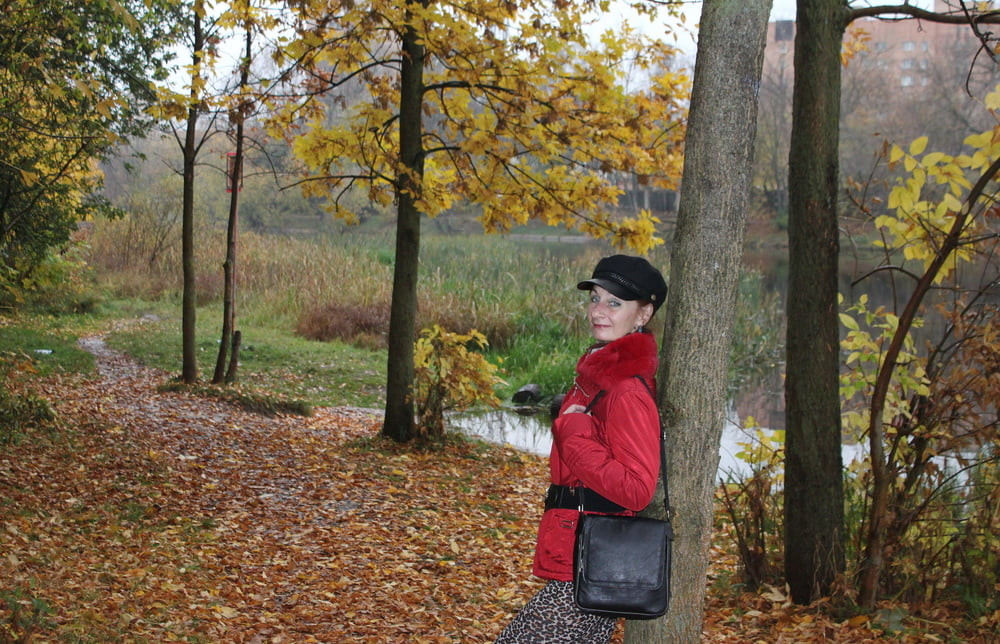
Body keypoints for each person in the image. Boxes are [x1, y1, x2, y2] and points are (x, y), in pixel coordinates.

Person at [495, 254, 667, 644]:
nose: (598, 311)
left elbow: (638, 489)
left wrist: (573, 431)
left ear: (643, 314)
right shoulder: (596, 377)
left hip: (591, 566)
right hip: (578, 557)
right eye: (595, 299)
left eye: (614, 303)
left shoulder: (625, 390)